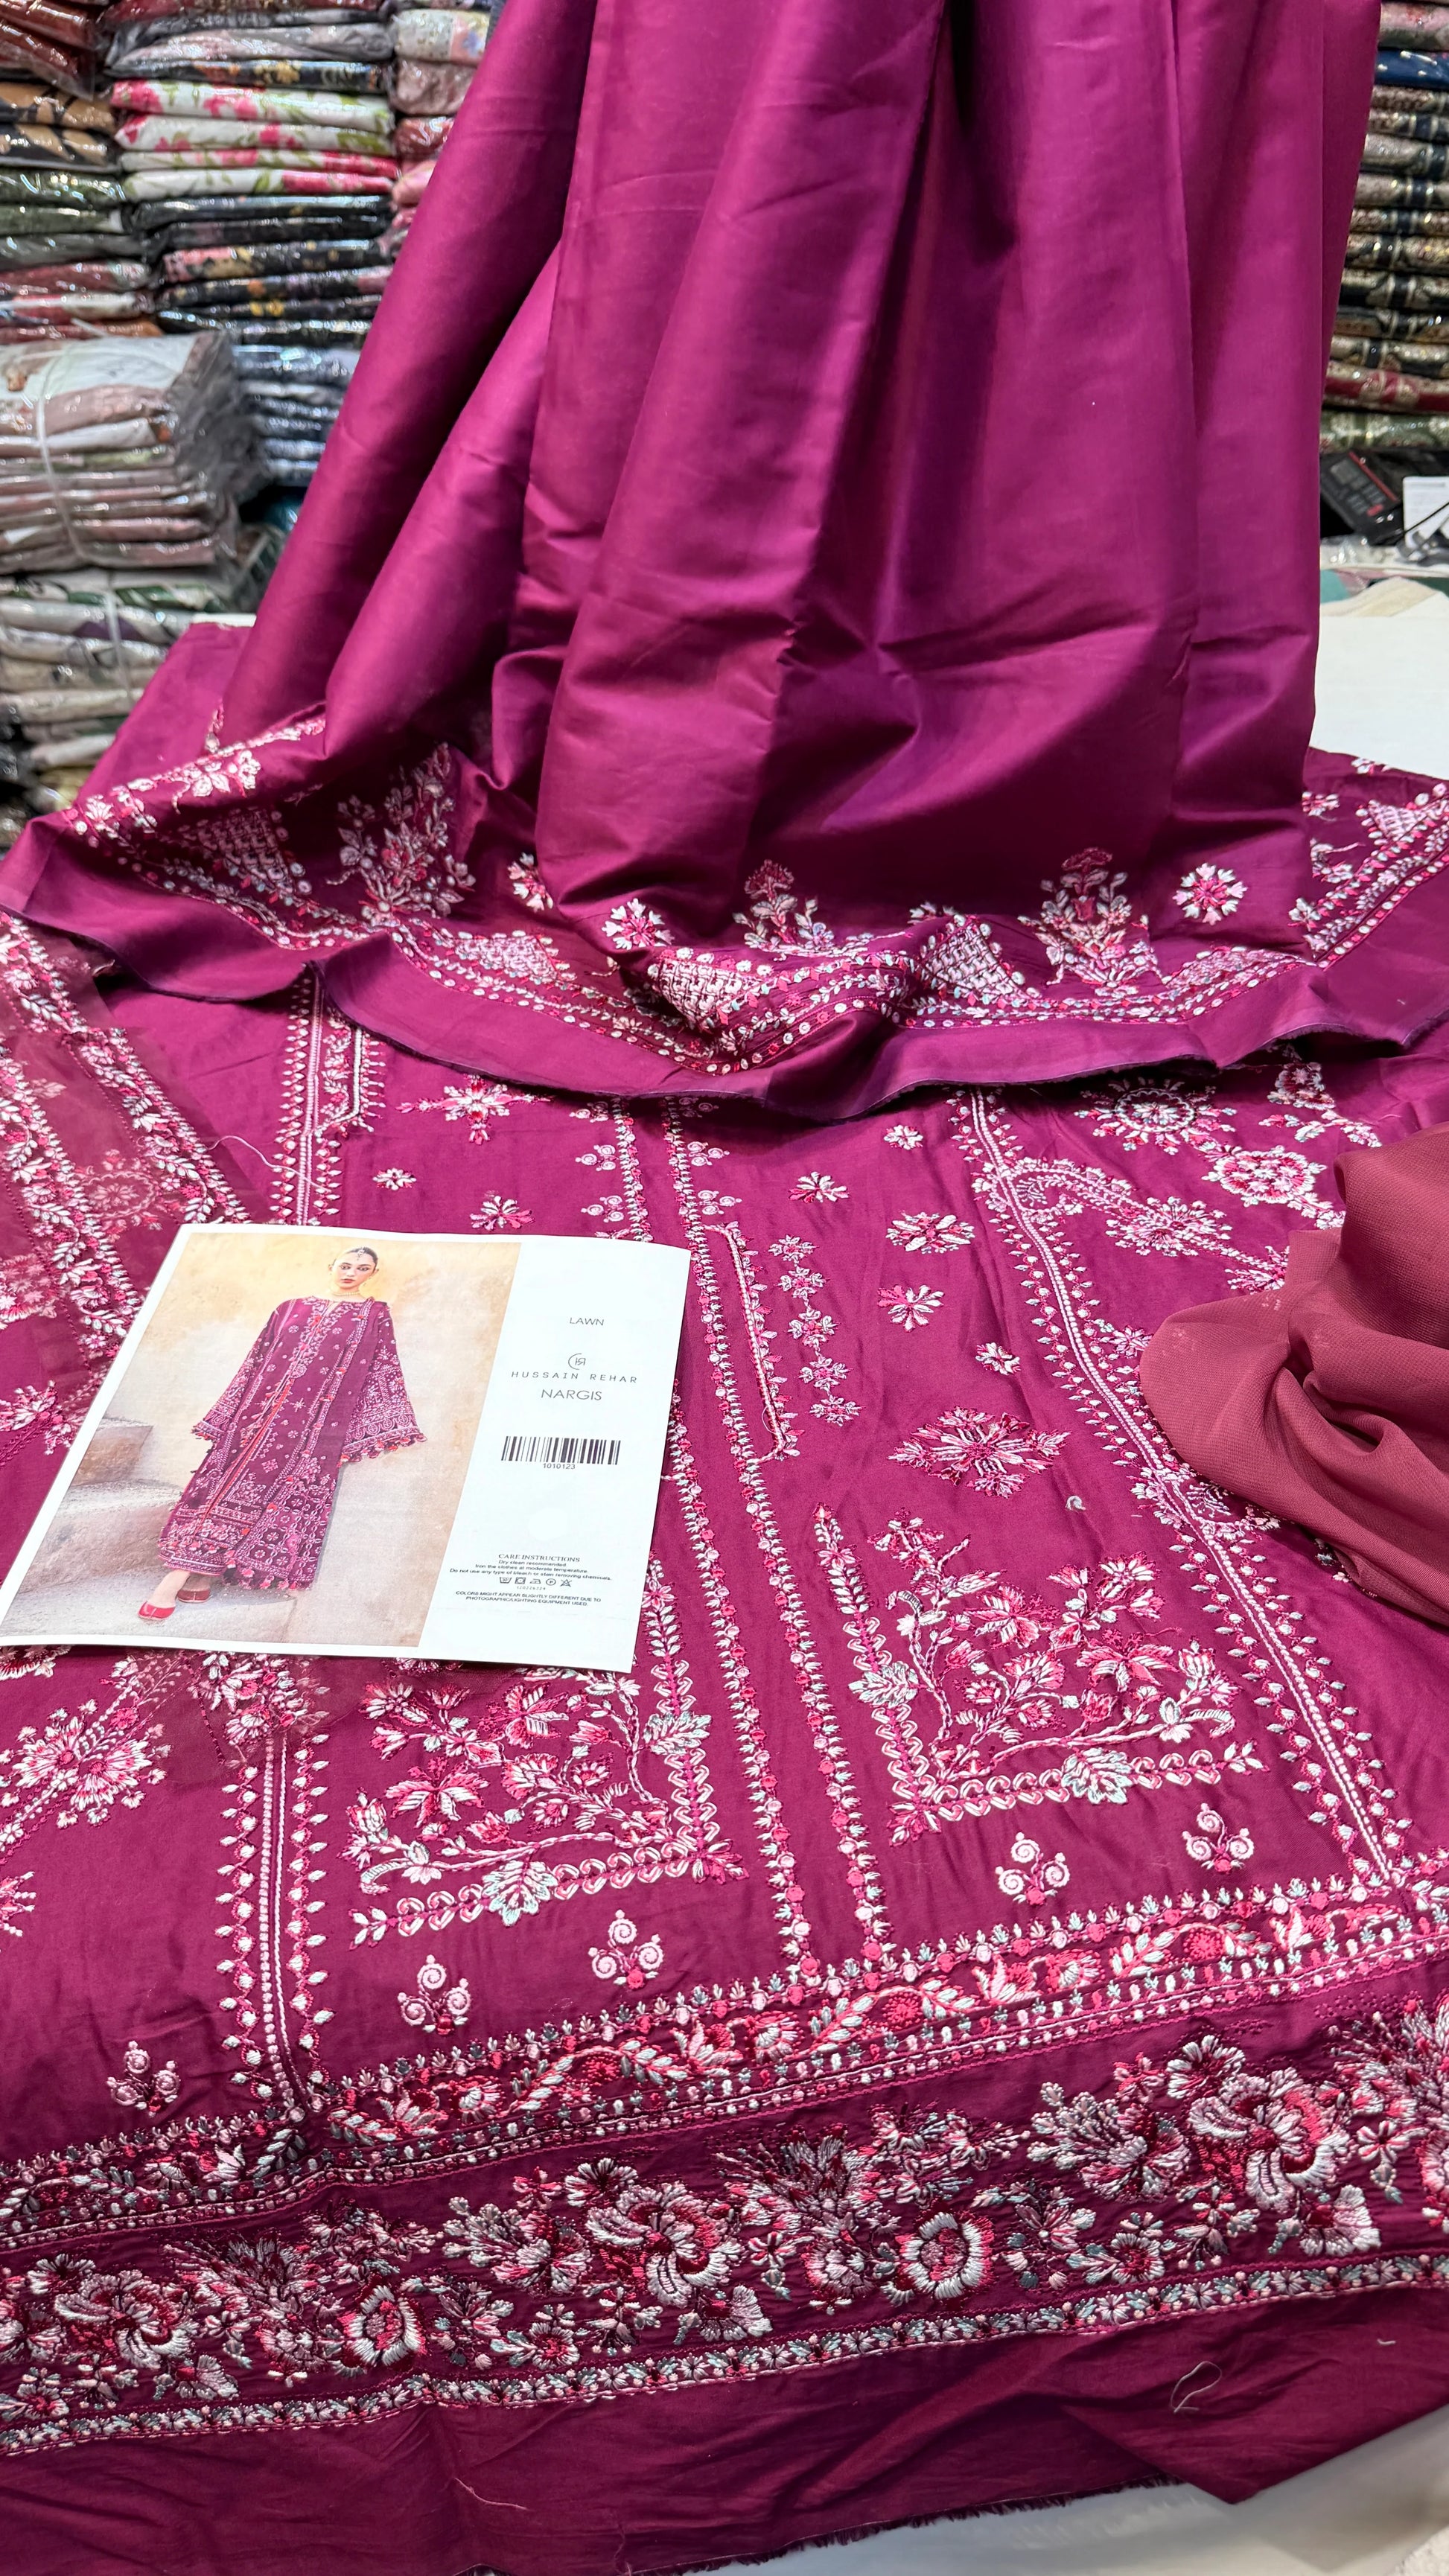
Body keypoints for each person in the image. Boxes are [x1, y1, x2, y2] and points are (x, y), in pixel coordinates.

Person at [138, 1243, 422, 1619]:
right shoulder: (290, 1307)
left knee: (259, 1496)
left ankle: (180, 1582)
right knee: (220, 1489)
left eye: (362, 1268)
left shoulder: (374, 1314)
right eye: (346, 1265)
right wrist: (230, 1412)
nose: (351, 1273)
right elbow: (256, 1360)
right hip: (253, 1417)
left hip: (310, 1431)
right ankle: (191, 1578)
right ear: (331, 1265)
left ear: (373, 1274)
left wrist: (376, 1425)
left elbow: (381, 1366)